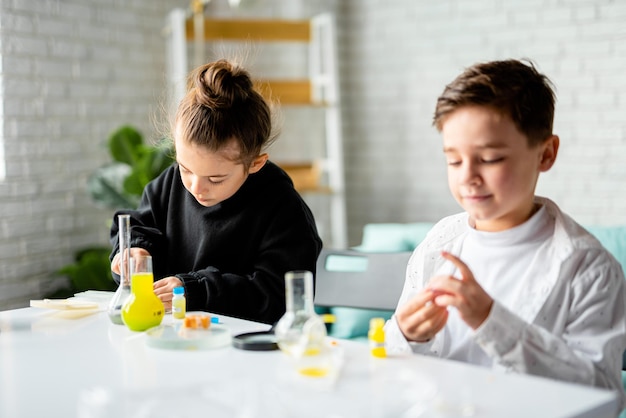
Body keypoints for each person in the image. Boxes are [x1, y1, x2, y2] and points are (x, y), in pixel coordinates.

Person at [385, 59, 626, 405]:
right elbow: (396, 363)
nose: (467, 176)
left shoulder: (588, 269)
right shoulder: (440, 243)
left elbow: (604, 397)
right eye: (453, 160)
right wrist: (405, 335)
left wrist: (491, 321)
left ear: (546, 154)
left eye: (491, 158)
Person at [109, 59, 322, 325]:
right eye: (185, 169)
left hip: (246, 352)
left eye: (216, 178)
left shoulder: (283, 210)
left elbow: (279, 299)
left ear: (255, 163)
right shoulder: (169, 184)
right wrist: (133, 253)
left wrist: (196, 290)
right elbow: (137, 226)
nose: (196, 188)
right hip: (174, 339)